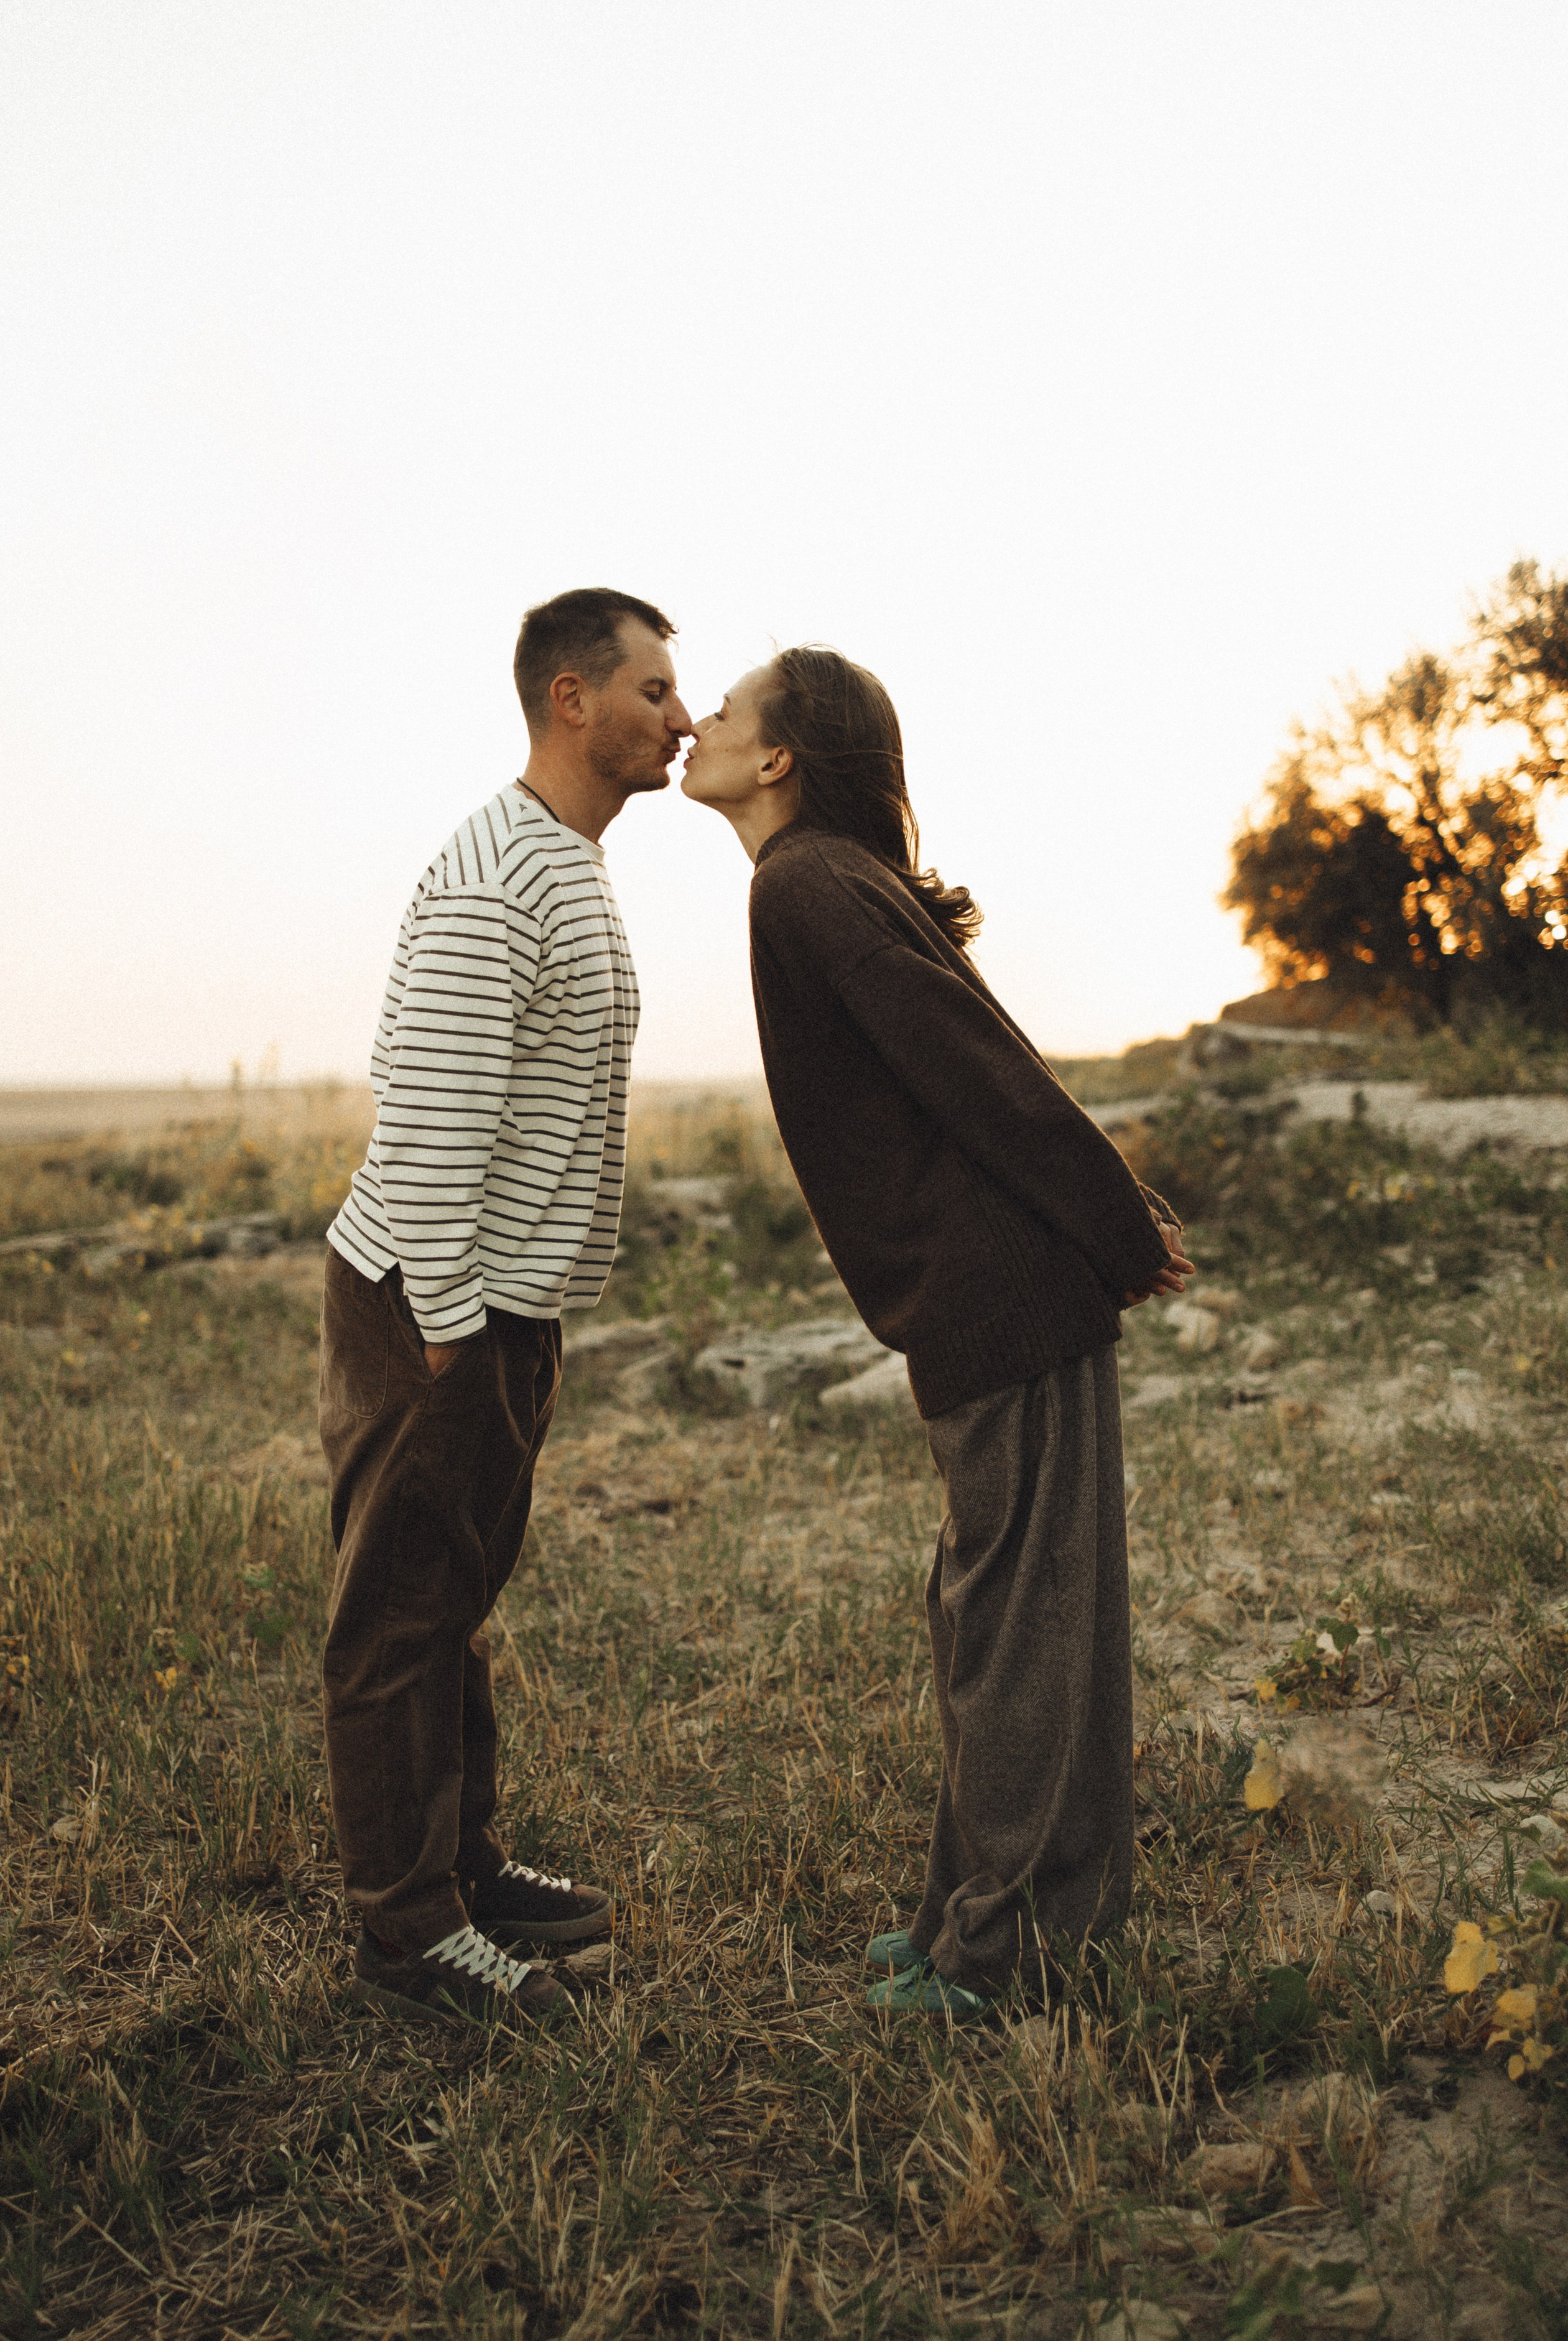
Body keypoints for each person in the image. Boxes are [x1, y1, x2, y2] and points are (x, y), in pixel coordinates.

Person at [680, 646, 1192, 2021]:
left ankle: (1007, 1953)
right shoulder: (811, 884)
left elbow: (977, 1065)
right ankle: (977, 1916)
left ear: (778, 757)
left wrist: (1115, 1224)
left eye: (722, 710)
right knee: (993, 1610)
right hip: (978, 1294)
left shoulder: (804, 885)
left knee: (1019, 1623)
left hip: (1004, 1290)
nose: (695, 722)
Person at [318, 586, 694, 2029]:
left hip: (495, 1304)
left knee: (452, 1596)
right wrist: (454, 1324)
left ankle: (462, 1874)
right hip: (434, 1304)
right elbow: (426, 1117)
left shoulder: (565, 857)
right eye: (654, 689)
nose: (679, 715)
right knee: (396, 1615)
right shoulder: (499, 878)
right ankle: (408, 1943)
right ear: (570, 699)